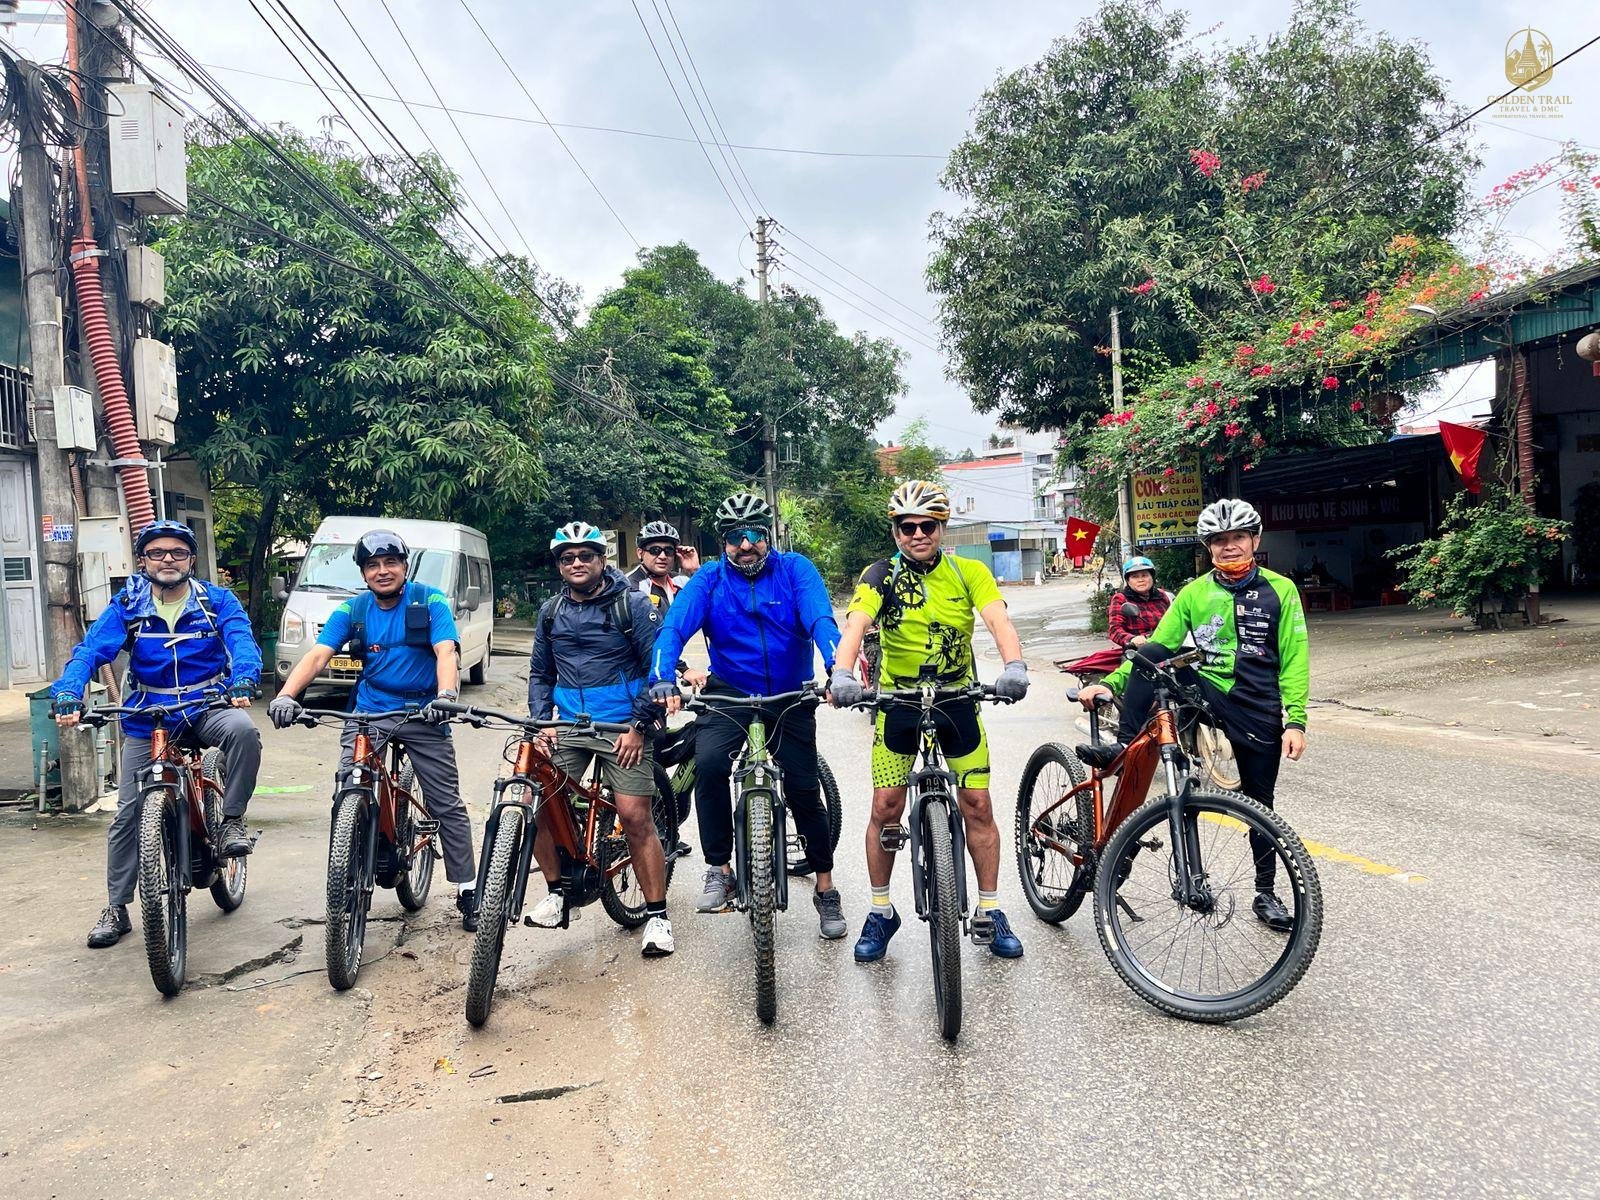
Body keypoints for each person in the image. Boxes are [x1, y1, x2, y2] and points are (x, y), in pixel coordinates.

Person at [1076, 499, 1309, 931]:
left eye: (1238, 538)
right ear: (1209, 548)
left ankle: (1265, 892)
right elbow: (1159, 646)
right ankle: (1126, 746)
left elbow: (1295, 657)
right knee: (1155, 662)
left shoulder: (1281, 590)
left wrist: (1295, 719)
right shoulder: (1194, 592)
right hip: (1205, 692)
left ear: (1254, 540)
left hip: (1259, 704)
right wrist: (1110, 684)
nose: (1230, 547)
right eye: (1219, 541)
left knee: (1263, 803)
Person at [828, 480, 1031, 962]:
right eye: (906, 526)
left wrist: (1014, 665)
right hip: (897, 701)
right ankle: (880, 912)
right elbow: (856, 624)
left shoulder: (970, 571)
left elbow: (997, 619)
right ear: (896, 531)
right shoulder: (880, 574)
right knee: (885, 807)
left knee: (978, 804)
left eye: (927, 525)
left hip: (958, 697)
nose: (917, 534)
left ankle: (991, 909)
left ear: (942, 528)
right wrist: (840, 673)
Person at [51, 520, 263, 949]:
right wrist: (69, 690)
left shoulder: (216, 601)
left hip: (207, 705)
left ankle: (233, 821)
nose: (168, 559)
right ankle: (117, 906)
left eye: (177, 553)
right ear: (143, 560)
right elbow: (91, 651)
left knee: (244, 732)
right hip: (150, 716)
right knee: (129, 812)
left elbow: (242, 642)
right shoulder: (127, 603)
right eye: (158, 553)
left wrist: (243, 677)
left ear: (191, 560)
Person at [647, 492, 847, 939]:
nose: (745, 545)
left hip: (790, 693)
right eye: (735, 537)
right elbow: (674, 626)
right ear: (724, 542)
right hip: (730, 691)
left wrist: (838, 669)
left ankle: (825, 886)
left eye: (755, 534)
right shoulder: (710, 580)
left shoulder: (795, 570)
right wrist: (662, 675)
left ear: (769, 537)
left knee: (802, 787)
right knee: (712, 764)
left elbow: (821, 621)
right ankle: (719, 869)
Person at [268, 530, 478, 929]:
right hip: (369, 711)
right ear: (363, 573)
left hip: (423, 710)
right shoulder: (354, 610)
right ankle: (352, 858)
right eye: (373, 566)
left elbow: (446, 650)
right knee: (349, 783)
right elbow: (318, 655)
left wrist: (447, 695)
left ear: (404, 566)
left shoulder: (429, 600)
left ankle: (468, 888)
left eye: (390, 563)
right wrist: (287, 695)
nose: (383, 571)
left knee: (446, 801)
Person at [524, 521, 674, 957]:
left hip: (622, 728)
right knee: (536, 808)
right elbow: (540, 673)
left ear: (601, 559)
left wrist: (639, 727)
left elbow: (656, 673)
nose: (576, 563)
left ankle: (657, 917)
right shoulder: (551, 611)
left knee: (633, 818)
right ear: (559, 565)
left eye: (585, 556)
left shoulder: (635, 606)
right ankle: (557, 891)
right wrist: (541, 722)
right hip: (568, 726)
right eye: (567, 557)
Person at [1108, 555, 1172, 649]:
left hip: (1166, 644)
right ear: (1128, 581)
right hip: (1139, 650)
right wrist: (1132, 639)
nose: (1140, 580)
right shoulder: (1121, 598)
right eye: (1135, 577)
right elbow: (1115, 629)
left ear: (1152, 578)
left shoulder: (1162, 595)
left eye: (1144, 575)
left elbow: (1175, 619)